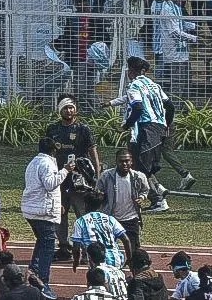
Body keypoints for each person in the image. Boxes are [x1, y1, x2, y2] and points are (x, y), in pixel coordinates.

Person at [108, 56, 175, 213]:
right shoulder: (155, 86)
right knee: (142, 163)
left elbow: (137, 108)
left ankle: (158, 193)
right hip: (158, 128)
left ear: (131, 71)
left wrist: (126, 125)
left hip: (144, 129)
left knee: (137, 164)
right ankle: (158, 196)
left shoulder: (134, 86)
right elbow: (170, 106)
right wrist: (165, 125)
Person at [46, 95, 102, 262]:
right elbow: (47, 153)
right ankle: (64, 247)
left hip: (80, 181)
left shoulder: (83, 129)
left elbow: (93, 152)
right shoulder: (53, 129)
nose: (69, 110)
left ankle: (87, 250)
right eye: (65, 107)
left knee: (82, 214)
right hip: (59, 179)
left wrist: (97, 176)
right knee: (60, 213)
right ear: (59, 110)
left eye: (71, 107)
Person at [23, 137, 75, 300]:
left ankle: (33, 272)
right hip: (42, 212)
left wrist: (57, 205)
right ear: (54, 150)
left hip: (34, 209)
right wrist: (66, 170)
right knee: (47, 245)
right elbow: (50, 184)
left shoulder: (34, 162)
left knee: (42, 241)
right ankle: (42, 282)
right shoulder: (47, 163)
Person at [97, 148, 150, 251]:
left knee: (134, 249)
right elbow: (98, 191)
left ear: (131, 161)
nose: (124, 164)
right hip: (111, 218)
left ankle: (133, 266)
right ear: (116, 161)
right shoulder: (106, 176)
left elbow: (145, 190)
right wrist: (100, 196)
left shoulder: (138, 176)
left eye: (127, 161)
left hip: (131, 218)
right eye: (121, 161)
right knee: (107, 248)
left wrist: (141, 198)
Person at [71, 190, 131, 270]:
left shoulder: (81, 222)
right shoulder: (110, 219)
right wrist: (129, 259)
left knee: (97, 280)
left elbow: (76, 247)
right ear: (100, 206)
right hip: (115, 259)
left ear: (85, 204)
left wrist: (76, 261)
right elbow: (126, 240)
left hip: (97, 261)